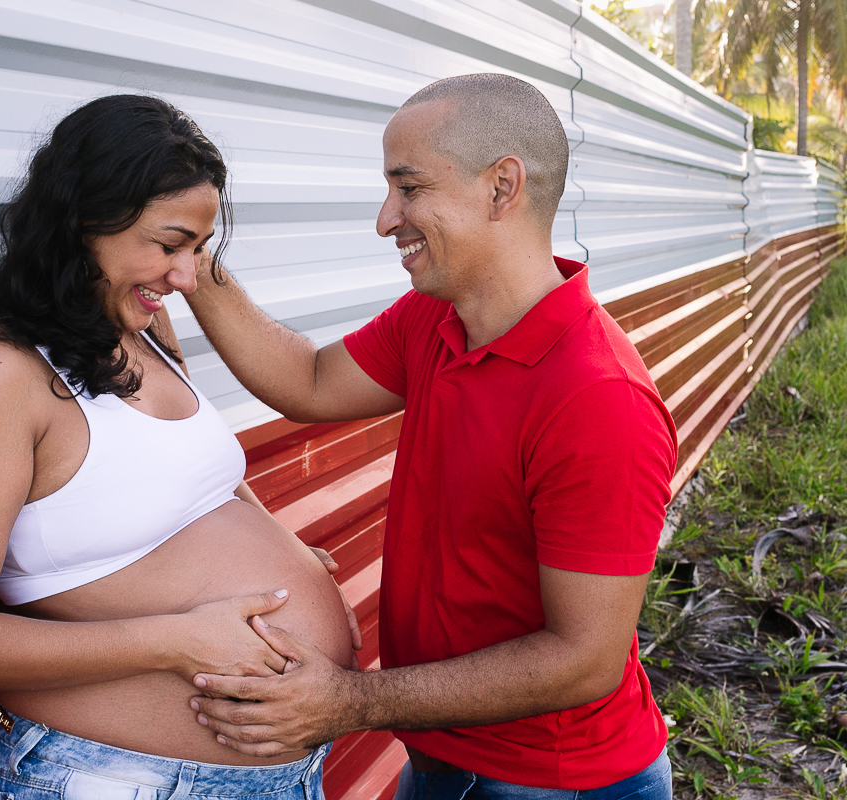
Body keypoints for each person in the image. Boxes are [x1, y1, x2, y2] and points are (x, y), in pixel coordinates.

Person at [183, 74, 677, 799]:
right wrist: (188, 255)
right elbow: (309, 380)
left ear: (501, 188)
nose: (386, 219)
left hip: (553, 784)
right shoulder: (438, 318)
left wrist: (350, 701)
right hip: (445, 762)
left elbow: (584, 660)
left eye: (408, 188)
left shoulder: (598, 399)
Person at [0, 94, 359, 800]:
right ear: (85, 222)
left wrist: (290, 568)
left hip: (277, 776)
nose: (187, 278)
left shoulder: (145, 334)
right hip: (110, 778)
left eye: (199, 249)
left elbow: (201, 482)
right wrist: (179, 640)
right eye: (169, 245)